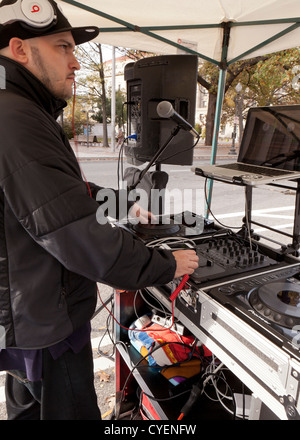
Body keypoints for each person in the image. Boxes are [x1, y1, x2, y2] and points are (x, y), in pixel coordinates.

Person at [0, 0, 199, 420]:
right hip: (46, 323)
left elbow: (64, 194)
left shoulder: (18, 110)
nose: (75, 63)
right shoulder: (15, 119)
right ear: (19, 49)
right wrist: (166, 263)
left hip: (26, 318)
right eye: (62, 48)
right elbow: (76, 234)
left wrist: (123, 202)